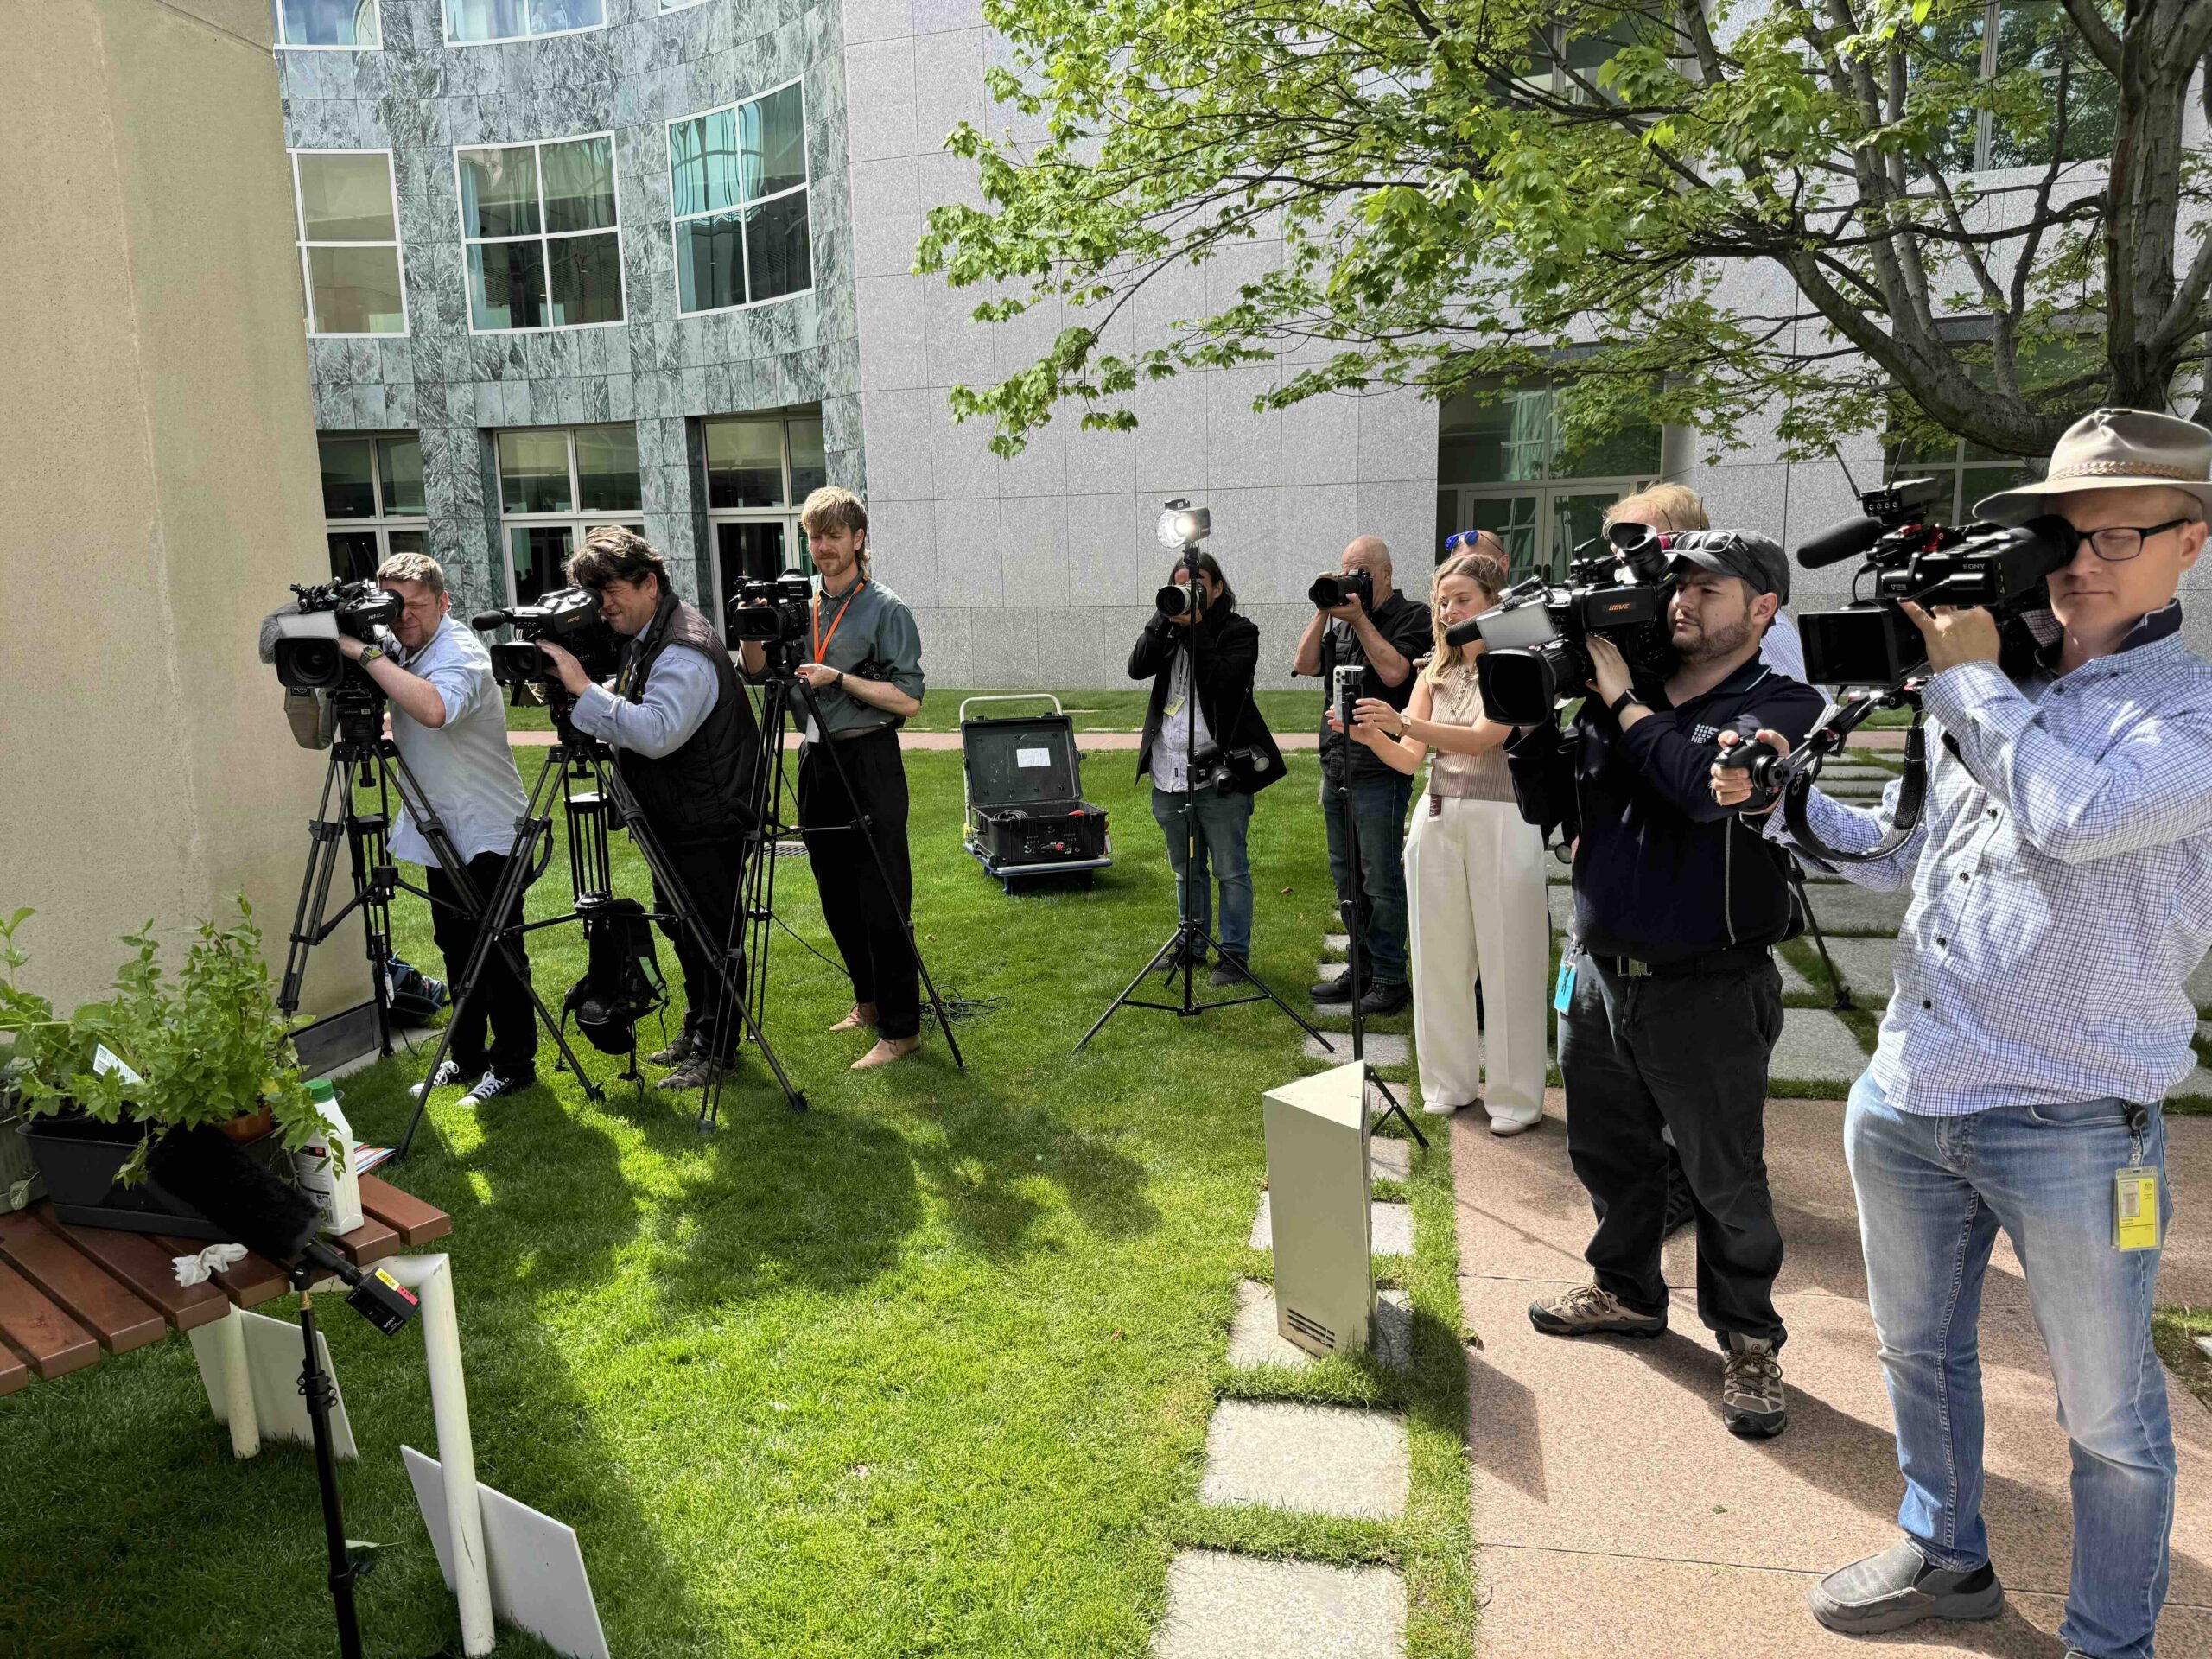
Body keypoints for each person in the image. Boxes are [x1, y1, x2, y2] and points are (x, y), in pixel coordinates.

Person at [1713, 409, 2212, 1655]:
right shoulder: (1995, 693)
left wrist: (1964, 675)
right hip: (1912, 1089)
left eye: (2119, 537)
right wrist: (1782, 800)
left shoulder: (2189, 712)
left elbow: (2074, 817)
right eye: (2064, 537)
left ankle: (2111, 1640)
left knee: (2106, 1415)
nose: (2083, 562)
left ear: (2189, 544)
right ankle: (1946, 1556)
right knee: (1917, 1353)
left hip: (2074, 1116)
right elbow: (1896, 858)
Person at [1504, 530, 1826, 1438]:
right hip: (1599, 968)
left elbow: (1699, 788)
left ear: (1762, 609)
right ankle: (1626, 1290)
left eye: (1710, 590)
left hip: (1707, 984)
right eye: (1679, 586)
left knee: (1723, 1175)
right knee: (1609, 1155)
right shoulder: (1623, 698)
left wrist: (1620, 701)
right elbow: (1553, 812)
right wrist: (1537, 727)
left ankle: (1749, 1339)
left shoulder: (1783, 703)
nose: (1684, 601)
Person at [538, 527, 760, 1091]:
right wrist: (586, 690)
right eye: (593, 594)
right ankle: (697, 1029)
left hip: (707, 817)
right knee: (683, 930)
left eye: (609, 591)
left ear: (649, 582)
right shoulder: (650, 634)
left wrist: (586, 690)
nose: (602, 606)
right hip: (678, 814)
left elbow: (659, 731)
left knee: (711, 936)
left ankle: (717, 1053)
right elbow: (637, 699)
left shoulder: (682, 646)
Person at [1340, 548, 1549, 1133]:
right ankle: (1448, 1082)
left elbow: (1482, 740)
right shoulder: (1434, 670)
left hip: (1505, 818)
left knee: (1510, 960)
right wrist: (1370, 732)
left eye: (1462, 599)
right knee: (1437, 959)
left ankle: (1514, 1098)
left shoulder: (1522, 667)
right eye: (1443, 599)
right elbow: (1408, 762)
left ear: (1493, 603)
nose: (1449, 607)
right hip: (1435, 818)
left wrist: (1402, 721)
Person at [337, 552, 537, 1107]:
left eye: (415, 607)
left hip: (486, 828)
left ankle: (515, 1065)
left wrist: (364, 649)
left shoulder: (461, 654)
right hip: (439, 826)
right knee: (454, 946)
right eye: (392, 608)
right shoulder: (405, 644)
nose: (403, 618)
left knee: (496, 950)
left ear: (444, 602)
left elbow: (433, 710)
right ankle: (468, 1058)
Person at [760, 487, 928, 1070]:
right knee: (835, 893)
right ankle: (868, 1001)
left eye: (833, 535)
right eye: (814, 536)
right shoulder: (798, 604)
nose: (823, 547)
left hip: (869, 758)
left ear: (858, 539)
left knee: (882, 896)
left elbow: (908, 699)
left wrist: (841, 678)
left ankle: (903, 1029)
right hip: (815, 760)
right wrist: (754, 626)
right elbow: (757, 671)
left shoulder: (886, 608)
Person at [1128, 550, 1286, 985]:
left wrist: (1196, 628)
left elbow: (1223, 681)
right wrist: (1164, 619)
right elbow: (1137, 667)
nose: (1189, 593)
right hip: (1168, 771)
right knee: (1185, 868)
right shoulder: (1168, 631)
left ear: (1217, 589)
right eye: (1181, 585)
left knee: (1230, 869)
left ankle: (1234, 953)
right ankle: (1191, 944)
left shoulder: (1239, 631)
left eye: (1197, 585)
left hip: (1221, 772)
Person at [1292, 535, 1433, 1014]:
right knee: (1345, 876)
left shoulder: (1413, 616)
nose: (1352, 581)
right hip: (1336, 765)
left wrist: (1362, 621)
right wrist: (1323, 609)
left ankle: (1392, 977)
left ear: (1385, 574)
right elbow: (1304, 664)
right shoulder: (1343, 622)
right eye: (1345, 572)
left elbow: (1396, 674)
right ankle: (1363, 966)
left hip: (1381, 767)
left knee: (1380, 878)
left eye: (1360, 573)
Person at [1605, 484, 1807, 680]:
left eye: (1641, 547)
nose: (1628, 564)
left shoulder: (1747, 621)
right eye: (1619, 553)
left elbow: (1810, 710)